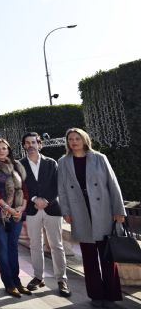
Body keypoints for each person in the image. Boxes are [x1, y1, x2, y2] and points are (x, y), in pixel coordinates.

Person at [58, 128, 126, 307]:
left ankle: (111, 295)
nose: (74, 142)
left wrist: (119, 210)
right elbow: (62, 189)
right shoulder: (63, 162)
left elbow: (113, 184)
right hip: (79, 210)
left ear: (84, 139)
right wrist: (65, 211)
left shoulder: (99, 158)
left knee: (107, 256)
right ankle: (96, 295)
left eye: (77, 138)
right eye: (70, 139)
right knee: (88, 257)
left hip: (102, 209)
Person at [20, 132, 71, 297]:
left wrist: (46, 200)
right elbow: (22, 186)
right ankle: (38, 277)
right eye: (27, 143)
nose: (30, 145)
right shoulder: (20, 164)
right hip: (32, 209)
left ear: (39, 144)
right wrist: (35, 199)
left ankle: (62, 280)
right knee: (35, 245)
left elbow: (58, 185)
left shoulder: (51, 163)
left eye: (33, 142)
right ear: (24, 146)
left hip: (52, 208)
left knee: (57, 245)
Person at [0, 138, 30, 298]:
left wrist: (22, 207)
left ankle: (17, 281)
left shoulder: (17, 166)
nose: (1, 151)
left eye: (4, 148)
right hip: (0, 214)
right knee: (3, 248)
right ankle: (9, 283)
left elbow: (24, 188)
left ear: (8, 150)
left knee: (13, 247)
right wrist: (7, 208)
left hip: (17, 214)